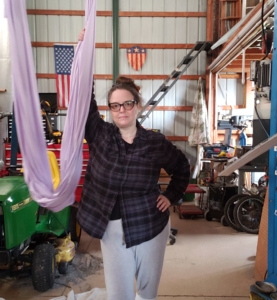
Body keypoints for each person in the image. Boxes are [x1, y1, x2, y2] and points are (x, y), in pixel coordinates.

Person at [77, 30, 190, 300]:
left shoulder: (154, 142)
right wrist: (83, 53)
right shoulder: (99, 134)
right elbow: (82, 99)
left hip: (150, 223)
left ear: (137, 105)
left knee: (148, 293)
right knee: (120, 295)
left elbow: (182, 168)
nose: (121, 110)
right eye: (115, 106)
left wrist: (171, 196)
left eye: (127, 103)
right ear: (110, 110)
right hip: (111, 228)